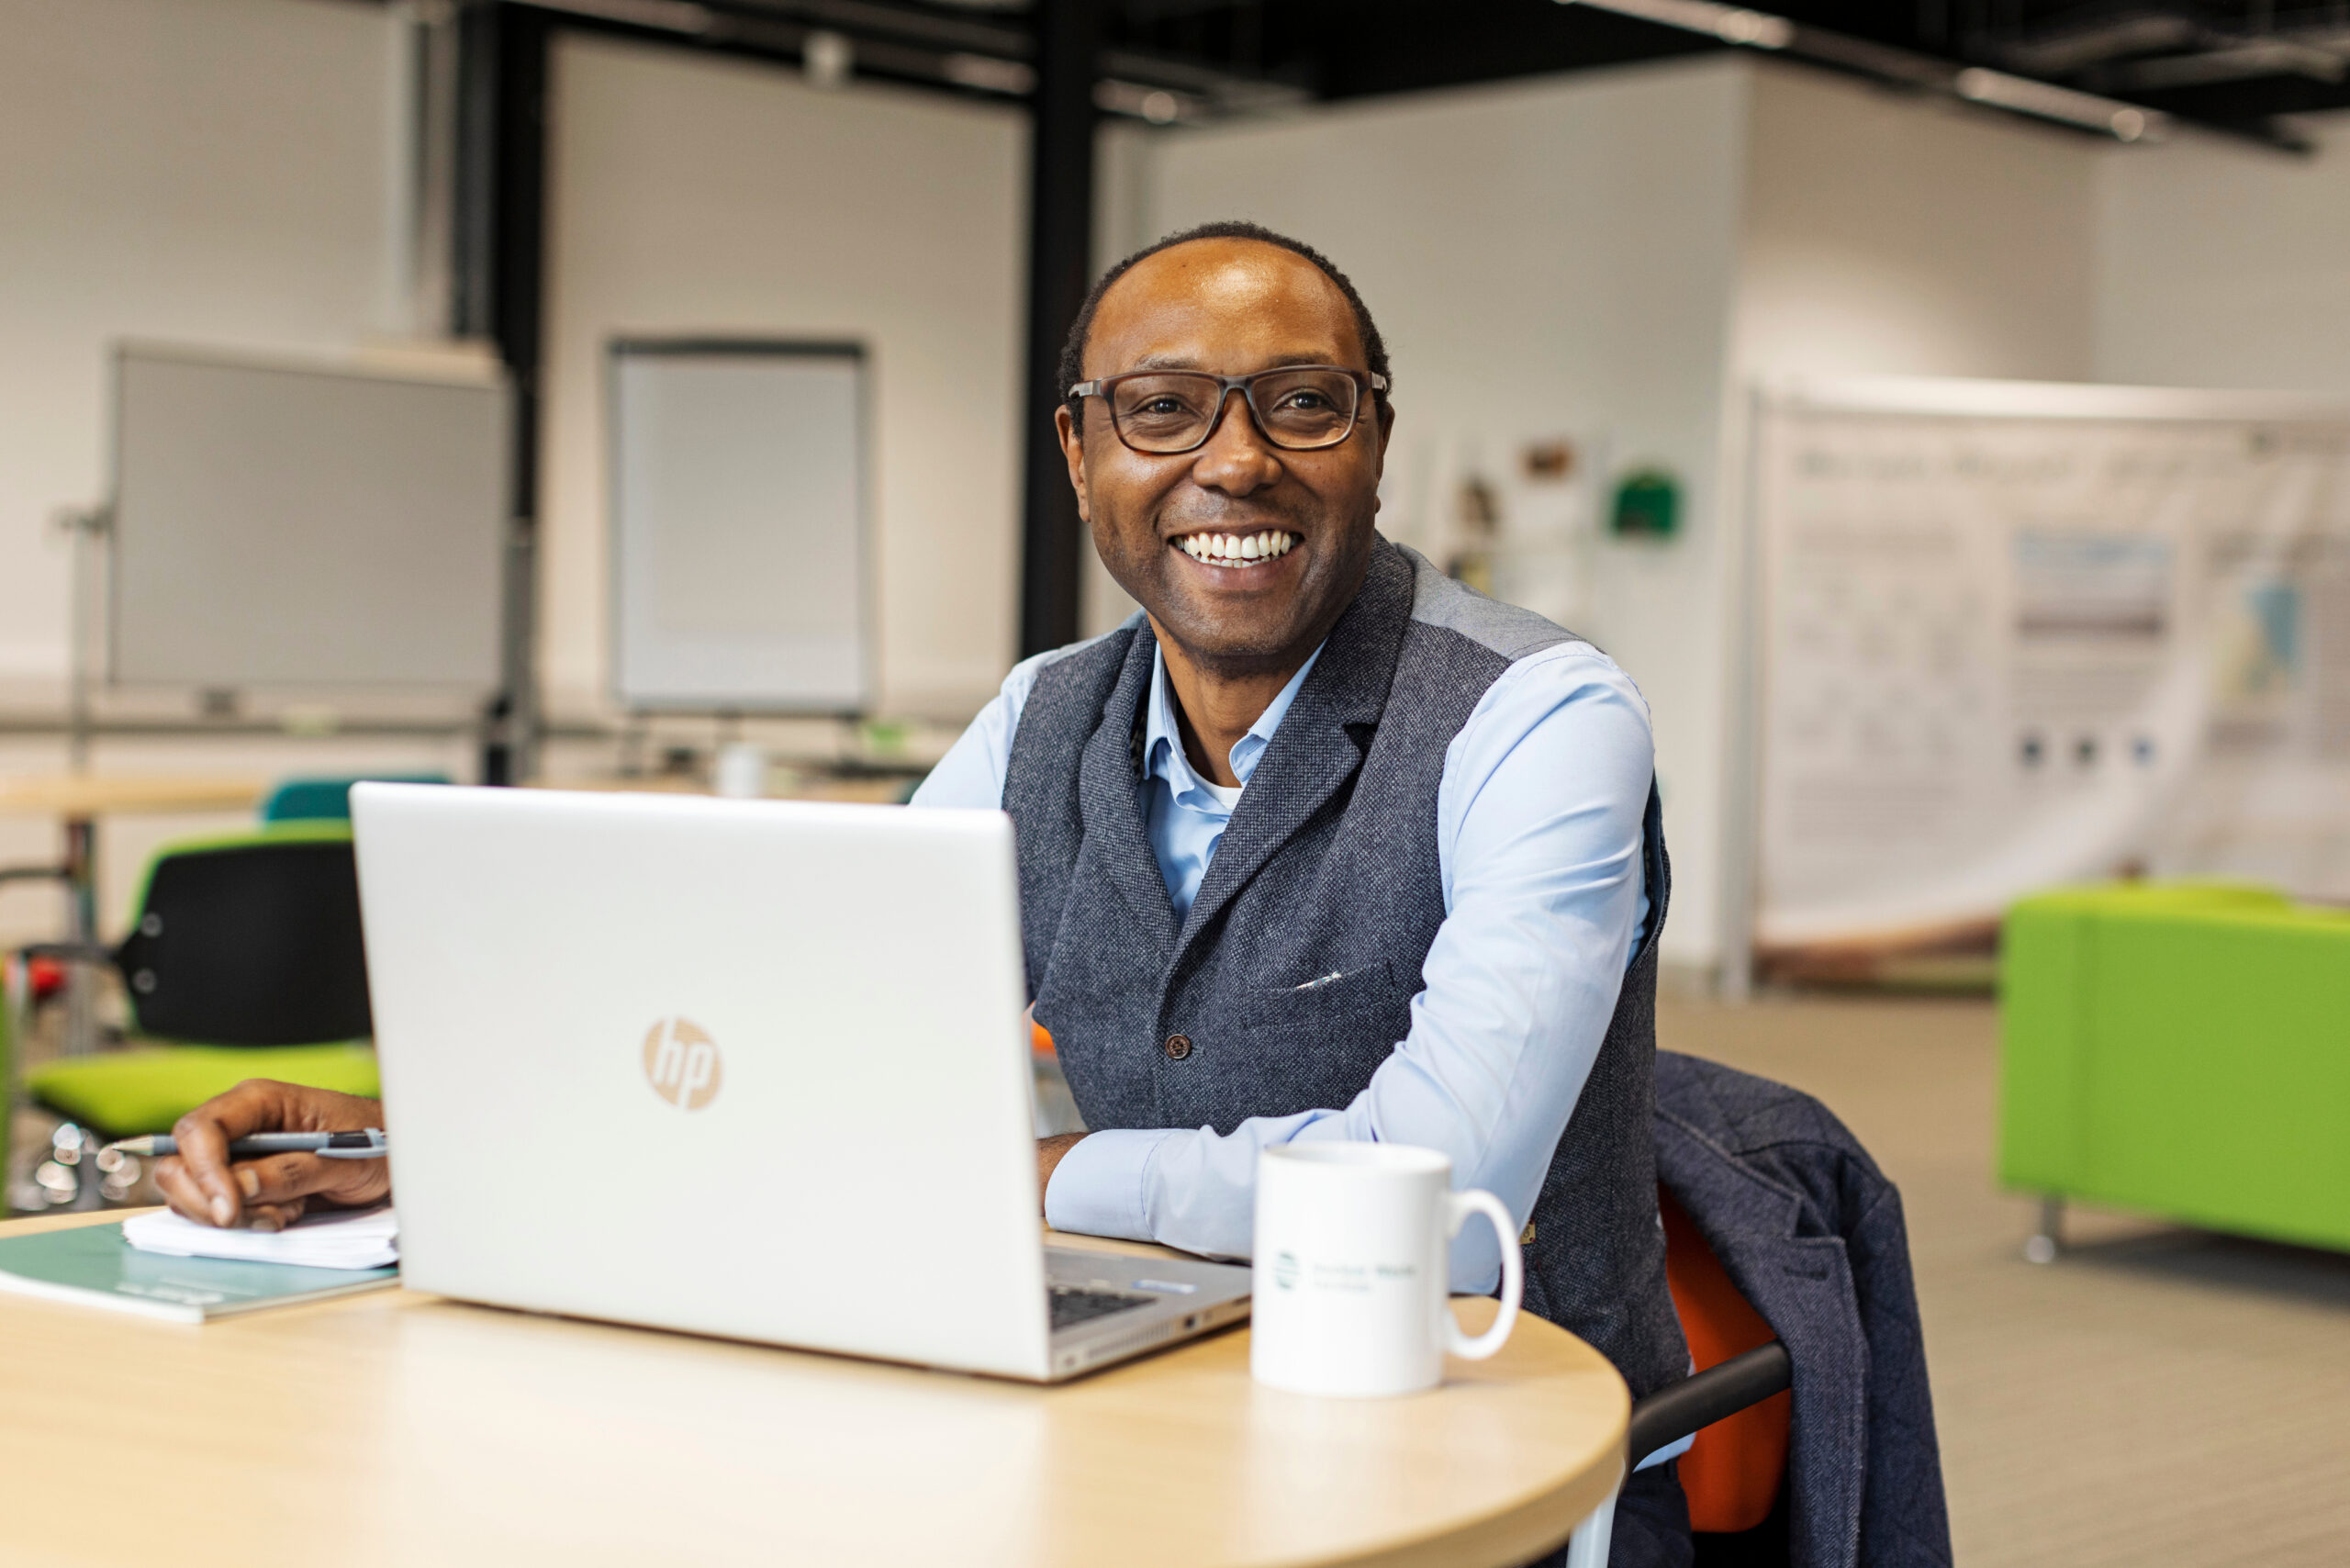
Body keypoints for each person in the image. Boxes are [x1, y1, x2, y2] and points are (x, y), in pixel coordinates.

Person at [155, 222, 1694, 1565]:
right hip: (1144, 1406)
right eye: (1161, 410)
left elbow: (1440, 1194)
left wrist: (1027, 1179)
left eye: (1303, 404)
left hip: (1483, 1452)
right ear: (1081, 454)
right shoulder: (1041, 721)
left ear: (1373, 439)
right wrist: (415, 1151)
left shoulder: (1538, 720)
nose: (1237, 460)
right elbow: (787, 1045)